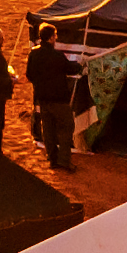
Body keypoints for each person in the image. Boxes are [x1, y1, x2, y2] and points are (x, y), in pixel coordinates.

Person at [27, 24, 77, 173]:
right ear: (50, 38)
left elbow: (29, 75)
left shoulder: (34, 54)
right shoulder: (57, 56)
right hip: (58, 99)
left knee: (48, 129)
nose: (56, 38)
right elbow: (70, 68)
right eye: (55, 35)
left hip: (42, 98)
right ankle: (64, 160)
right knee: (66, 127)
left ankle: (52, 159)